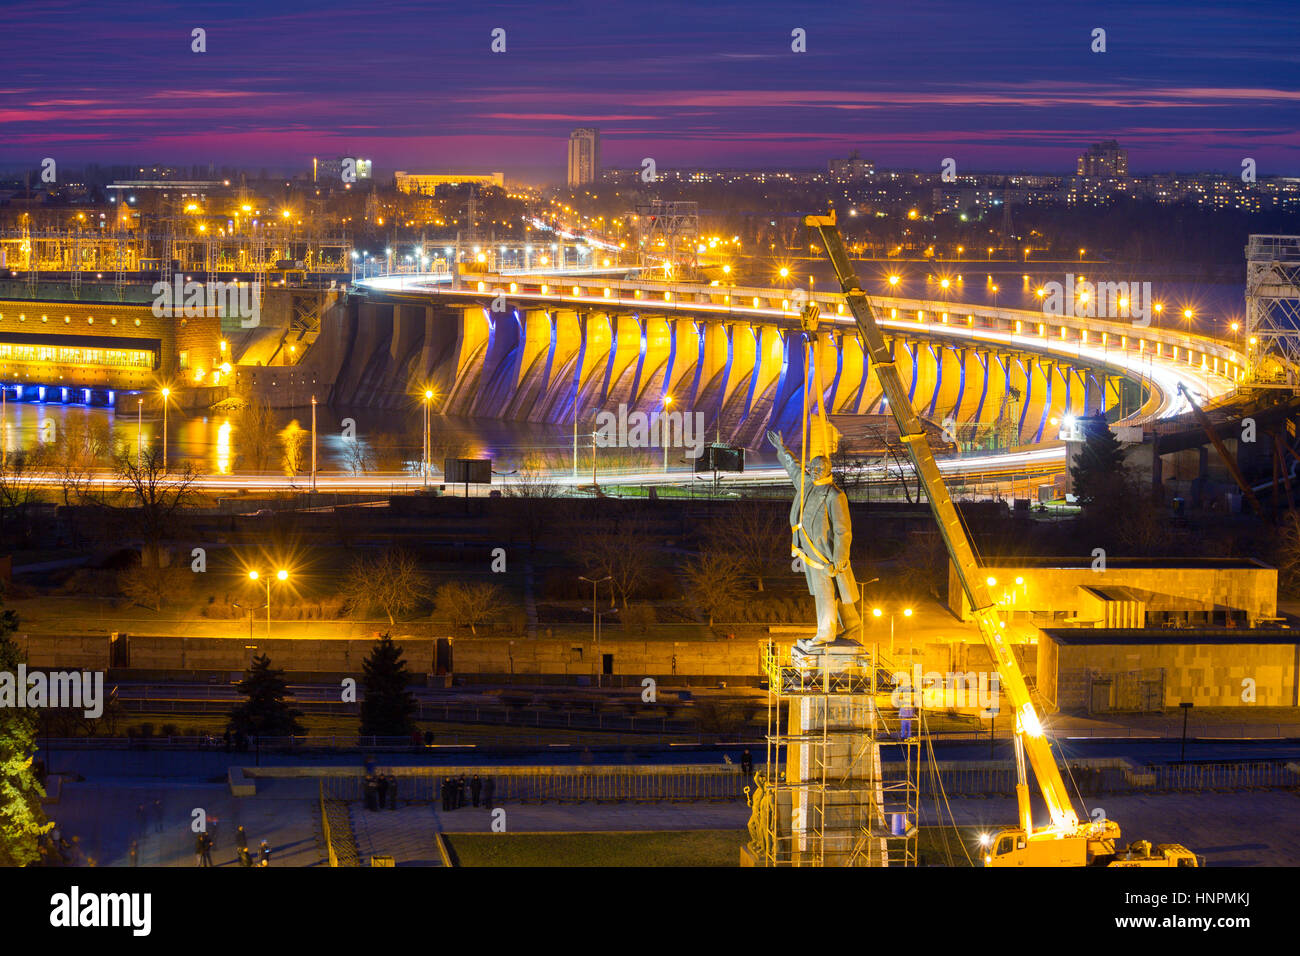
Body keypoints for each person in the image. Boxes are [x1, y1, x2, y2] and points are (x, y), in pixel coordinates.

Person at [767, 426, 861, 646]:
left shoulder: (835, 496)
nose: (813, 471)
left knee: (826, 593)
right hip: (810, 551)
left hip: (825, 556)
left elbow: (843, 530)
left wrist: (840, 557)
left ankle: (826, 633)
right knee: (839, 590)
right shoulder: (807, 485)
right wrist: (782, 449)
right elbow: (793, 468)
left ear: (827, 470)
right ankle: (854, 626)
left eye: (817, 468)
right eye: (812, 467)